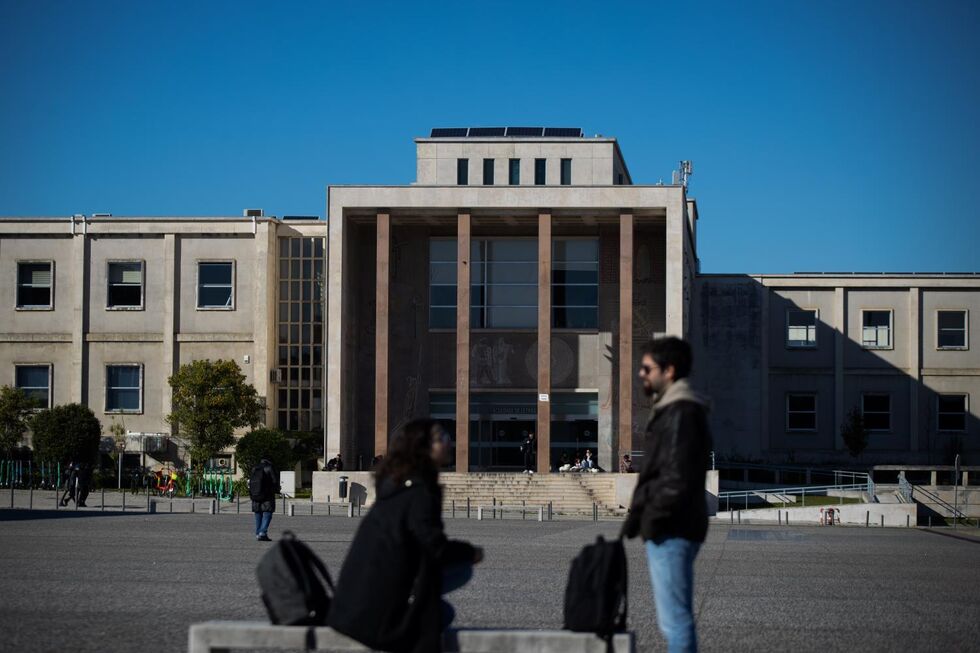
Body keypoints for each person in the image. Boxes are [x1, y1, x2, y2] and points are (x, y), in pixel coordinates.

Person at [329, 419, 483, 653]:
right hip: (374, 616)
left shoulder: (395, 484)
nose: (448, 442)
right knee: (458, 579)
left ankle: (410, 604)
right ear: (422, 447)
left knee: (439, 600)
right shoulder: (418, 492)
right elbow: (435, 547)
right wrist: (471, 552)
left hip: (349, 604)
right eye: (441, 438)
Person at [622, 337, 712, 653]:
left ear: (669, 370)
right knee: (674, 618)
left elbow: (677, 479)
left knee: (675, 621)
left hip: (673, 527)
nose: (641, 374)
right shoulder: (674, 409)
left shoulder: (680, 412)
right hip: (675, 525)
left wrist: (651, 518)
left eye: (647, 368)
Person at [249, 458, 280, 542]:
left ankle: (258, 533)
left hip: (255, 494)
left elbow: (251, 482)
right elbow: (275, 481)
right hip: (267, 495)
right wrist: (277, 490)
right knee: (267, 513)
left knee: (258, 513)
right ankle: (262, 533)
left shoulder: (255, 468)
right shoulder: (270, 467)